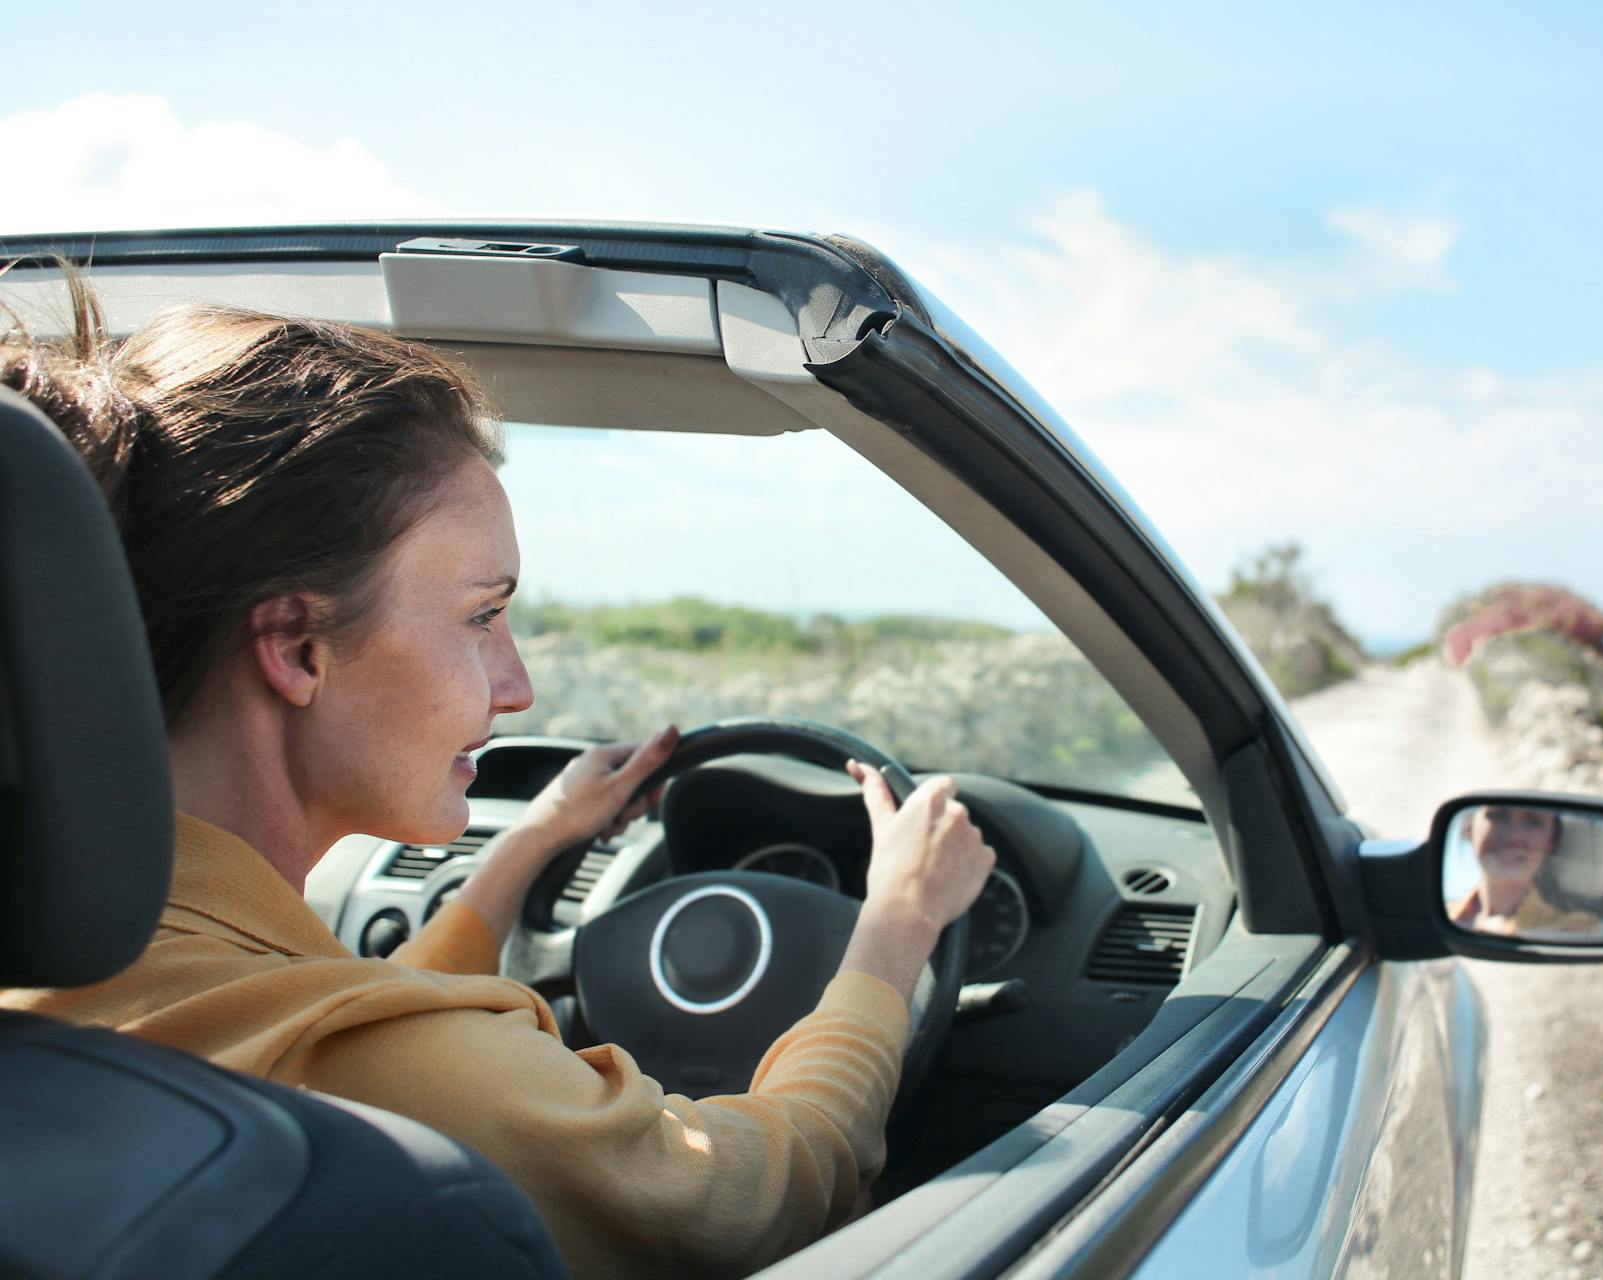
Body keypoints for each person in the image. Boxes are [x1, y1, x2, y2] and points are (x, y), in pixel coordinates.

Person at [0, 275, 996, 1278]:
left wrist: (529, 843)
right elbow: (753, 1200)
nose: (517, 688)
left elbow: (352, 1016)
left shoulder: (93, 970)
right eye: (482, 617)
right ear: (299, 646)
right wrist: (895, 930)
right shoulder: (406, 1070)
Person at [1446, 804, 1601, 938]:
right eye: (1498, 815)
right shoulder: (1442, 916)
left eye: (1533, 821)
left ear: (1551, 840)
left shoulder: (1578, 929)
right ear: (1469, 828)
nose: (1513, 836)